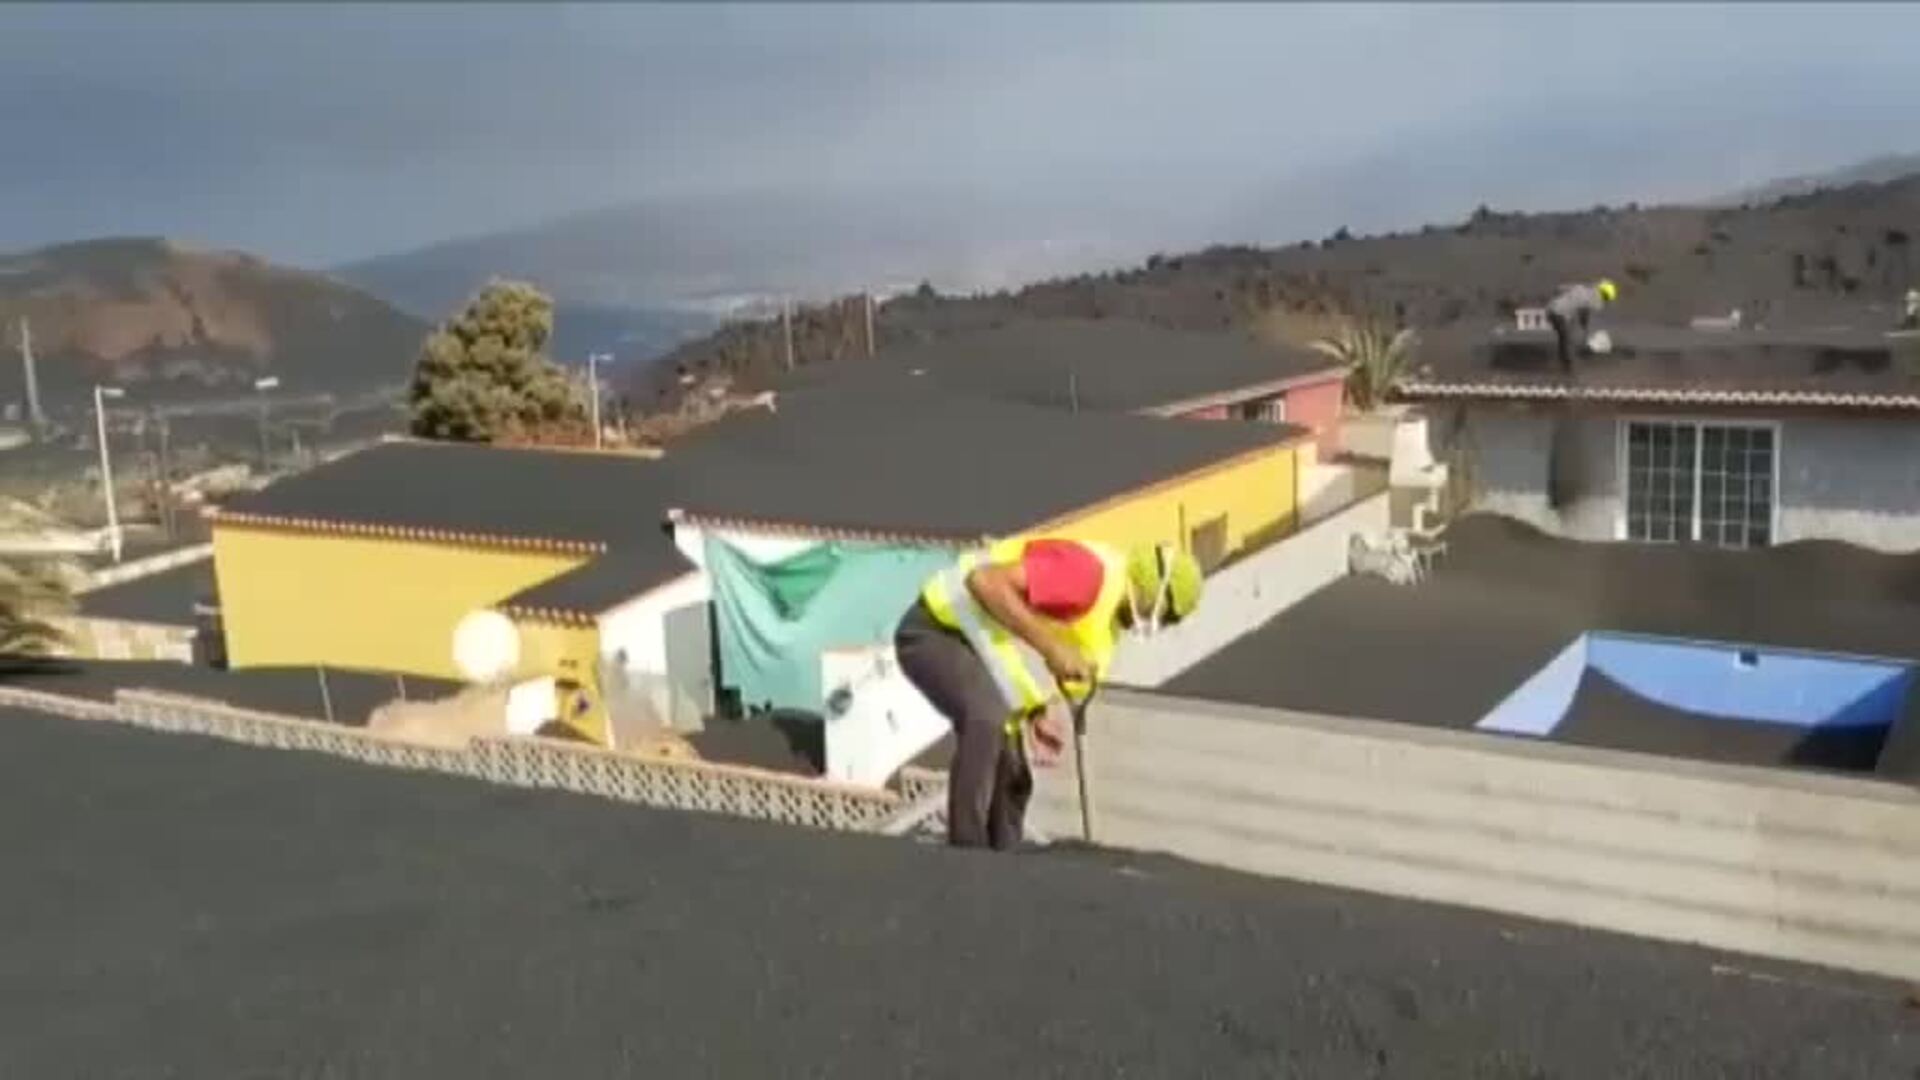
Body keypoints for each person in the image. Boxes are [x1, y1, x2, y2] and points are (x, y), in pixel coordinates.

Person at [893, 536, 1203, 850]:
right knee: (987, 719)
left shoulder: (1108, 623)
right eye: (1167, 614)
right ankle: (965, 854)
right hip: (935, 630)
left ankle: (1002, 866)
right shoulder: (1085, 575)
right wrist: (1052, 648)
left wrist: (1035, 710)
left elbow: (1029, 655)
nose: (1162, 624)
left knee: (1014, 781)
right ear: (1155, 590)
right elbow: (984, 581)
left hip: (981, 649)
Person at [1546, 279, 1618, 371]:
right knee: (1567, 338)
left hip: (1552, 309)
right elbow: (1583, 313)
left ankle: (1565, 361)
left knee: (1565, 336)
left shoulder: (1582, 288)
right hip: (1559, 314)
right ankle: (1567, 364)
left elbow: (1559, 288)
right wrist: (1584, 325)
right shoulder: (1595, 301)